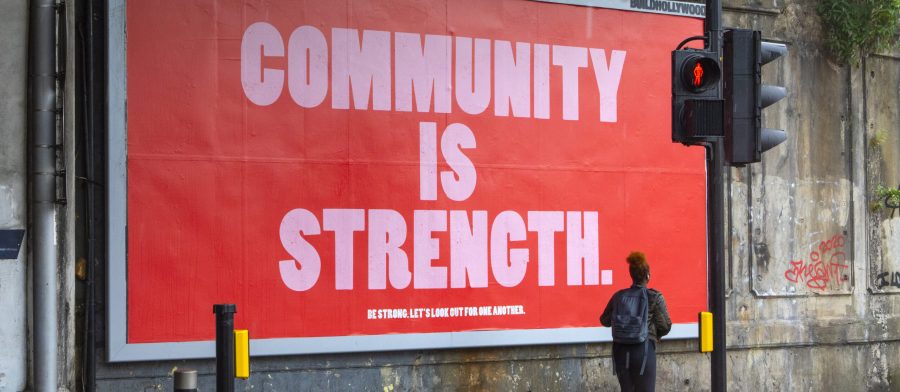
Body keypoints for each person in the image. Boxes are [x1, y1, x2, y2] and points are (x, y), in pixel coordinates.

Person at [600, 251, 672, 392]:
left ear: (631, 275)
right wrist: (656, 335)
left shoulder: (618, 296)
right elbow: (665, 325)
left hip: (620, 352)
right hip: (644, 351)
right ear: (647, 276)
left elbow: (604, 320)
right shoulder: (654, 297)